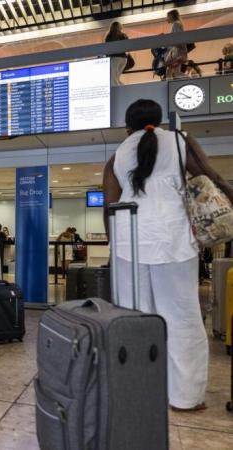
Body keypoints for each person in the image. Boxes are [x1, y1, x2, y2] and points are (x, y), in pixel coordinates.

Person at [102, 99, 233, 411]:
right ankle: (185, 397)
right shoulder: (178, 141)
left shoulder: (117, 155)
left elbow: (109, 207)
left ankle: (138, 392)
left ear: (127, 126)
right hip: (172, 239)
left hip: (127, 241)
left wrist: (113, 247)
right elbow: (209, 175)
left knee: (133, 317)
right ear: (159, 120)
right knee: (182, 317)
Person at [164, 9, 188, 79]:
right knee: (175, 72)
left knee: (170, 71)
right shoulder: (178, 24)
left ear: (171, 16)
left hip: (176, 51)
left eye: (167, 16)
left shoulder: (175, 24)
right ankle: (189, 79)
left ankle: (190, 79)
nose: (166, 19)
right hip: (178, 51)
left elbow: (177, 38)